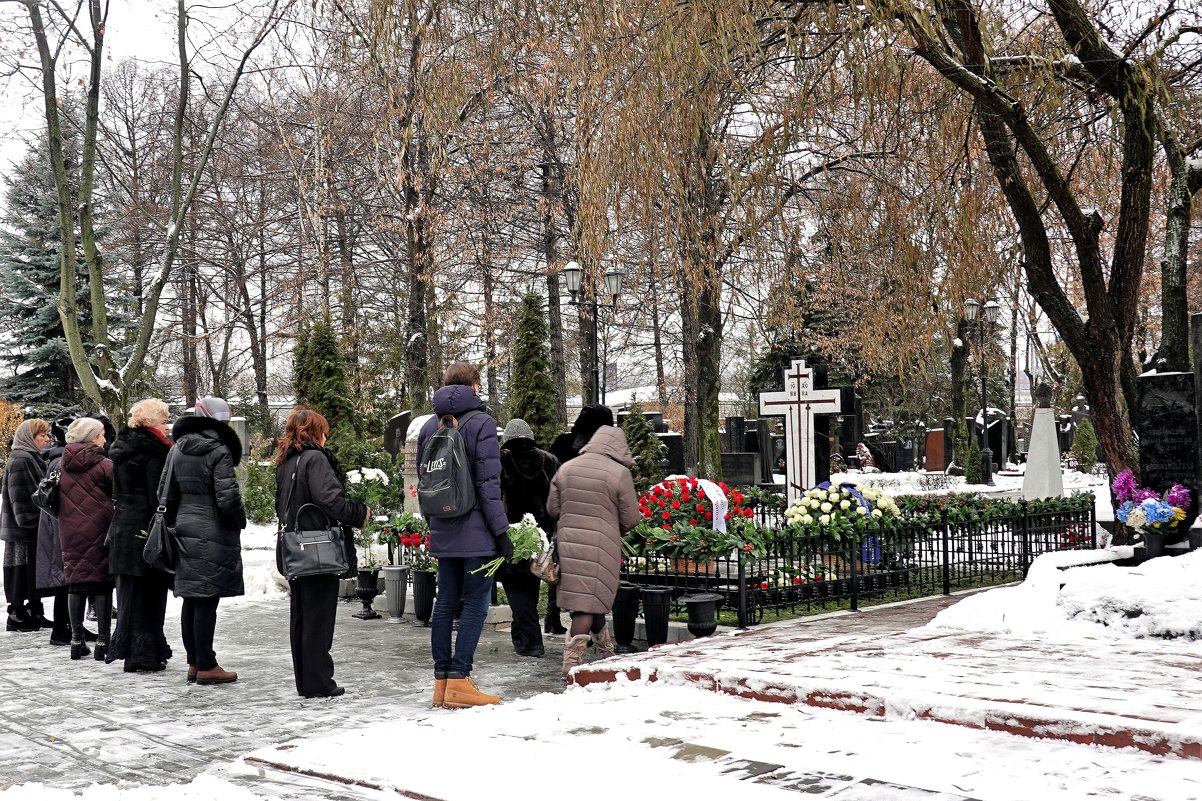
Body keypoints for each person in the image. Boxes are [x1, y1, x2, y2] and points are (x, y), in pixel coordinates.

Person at [417, 363, 510, 708]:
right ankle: (460, 679)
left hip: (443, 527)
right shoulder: (482, 423)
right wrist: (501, 533)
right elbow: (489, 485)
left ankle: (441, 683)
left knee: (444, 603)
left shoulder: (429, 426)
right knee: (475, 603)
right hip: (476, 531)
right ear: (474, 386)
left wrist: (433, 523)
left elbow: (425, 483)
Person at [274, 409, 368, 699]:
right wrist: (359, 512)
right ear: (315, 432)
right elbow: (330, 500)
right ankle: (318, 682)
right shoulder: (315, 458)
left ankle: (306, 680)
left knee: (301, 617)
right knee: (318, 619)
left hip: (295, 548)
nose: (327, 437)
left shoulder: (286, 460)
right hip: (318, 548)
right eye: (324, 431)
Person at [546, 415, 640, 677]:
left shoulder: (567, 468)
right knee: (588, 603)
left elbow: (552, 508)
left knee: (589, 598)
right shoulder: (620, 474)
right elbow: (631, 519)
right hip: (603, 545)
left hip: (569, 544)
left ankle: (605, 652)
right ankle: (571, 662)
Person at [167, 396, 246, 685]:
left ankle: (193, 663)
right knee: (207, 601)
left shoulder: (177, 448)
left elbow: (165, 493)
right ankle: (207, 665)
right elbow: (228, 498)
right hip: (212, 529)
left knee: (192, 598)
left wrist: (177, 522)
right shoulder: (219, 450)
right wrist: (240, 520)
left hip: (184, 527)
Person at [106, 399, 174, 672]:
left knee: (129, 594)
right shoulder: (154, 452)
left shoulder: (123, 449)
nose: (167, 426)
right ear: (150, 422)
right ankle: (143, 654)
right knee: (149, 594)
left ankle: (135, 649)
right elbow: (156, 496)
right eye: (163, 420)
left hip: (123, 528)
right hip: (145, 530)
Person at [545, 403, 614, 635]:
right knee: (589, 575)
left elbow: (552, 484)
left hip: (564, 517)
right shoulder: (600, 450)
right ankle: (584, 625)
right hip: (594, 520)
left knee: (561, 569)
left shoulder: (563, 443)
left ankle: (553, 616)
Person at [498, 418, 559, 658]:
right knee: (529, 586)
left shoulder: (500, 460)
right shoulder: (549, 461)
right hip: (540, 535)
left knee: (515, 587)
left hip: (509, 534)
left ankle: (533, 642)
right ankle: (521, 640)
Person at [58, 417, 115, 661]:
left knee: (76, 581)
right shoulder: (105, 465)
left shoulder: (60, 464)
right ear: (92, 437)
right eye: (101, 434)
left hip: (69, 529)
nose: (104, 439)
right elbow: (118, 494)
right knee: (101, 582)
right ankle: (103, 642)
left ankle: (76, 641)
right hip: (100, 529)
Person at [35, 414, 84, 646]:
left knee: (66, 577)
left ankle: (69, 627)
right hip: (62, 523)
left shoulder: (55, 460)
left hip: (56, 522)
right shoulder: (62, 460)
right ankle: (63, 629)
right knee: (66, 578)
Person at [1, 419, 50, 632]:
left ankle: (33, 610)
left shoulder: (31, 458)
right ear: (30, 438)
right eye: (42, 435)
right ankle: (17, 614)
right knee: (21, 570)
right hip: (24, 529)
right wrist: (32, 521)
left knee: (30, 571)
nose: (47, 439)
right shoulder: (22, 460)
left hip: (27, 527)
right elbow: (20, 497)